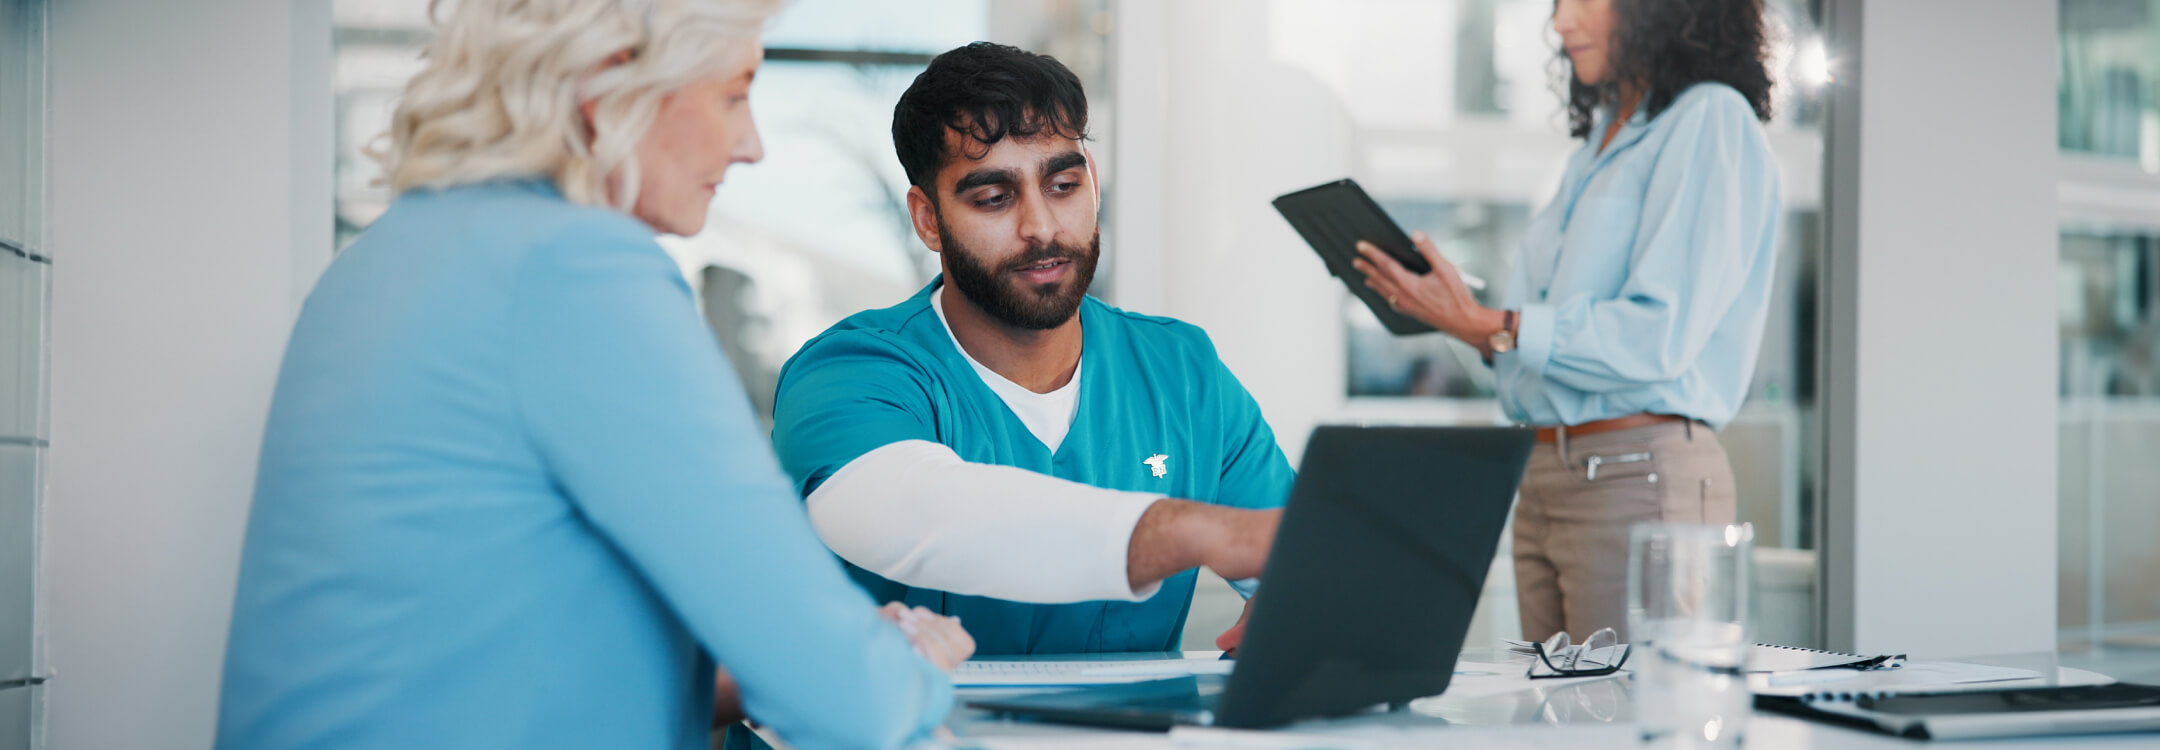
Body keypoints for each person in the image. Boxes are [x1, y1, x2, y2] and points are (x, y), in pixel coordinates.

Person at [215, 2, 970, 748]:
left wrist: (780, 664)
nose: (752, 145)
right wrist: (904, 665)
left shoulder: (377, 264)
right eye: (733, 94)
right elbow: (853, 703)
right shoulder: (572, 270)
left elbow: (486, 650)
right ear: (612, 80)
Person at [770, 42, 1290, 657]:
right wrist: (1189, 532)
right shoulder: (851, 373)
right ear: (928, 219)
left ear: (1093, 183)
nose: (1041, 227)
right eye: (993, 198)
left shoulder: (1182, 372)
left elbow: (1297, 560)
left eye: (1064, 184)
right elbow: (915, 512)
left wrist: (1306, 607)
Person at [1352, 0, 1781, 644]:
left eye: (1585, 1)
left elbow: (1656, 336)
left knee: (1630, 723)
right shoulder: (1598, 142)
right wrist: (1463, 321)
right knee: (1557, 723)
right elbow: (1546, 343)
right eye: (1556, 4)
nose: (1560, 23)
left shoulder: (1710, 119)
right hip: (1545, 474)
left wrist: (1493, 321)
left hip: (1638, 476)